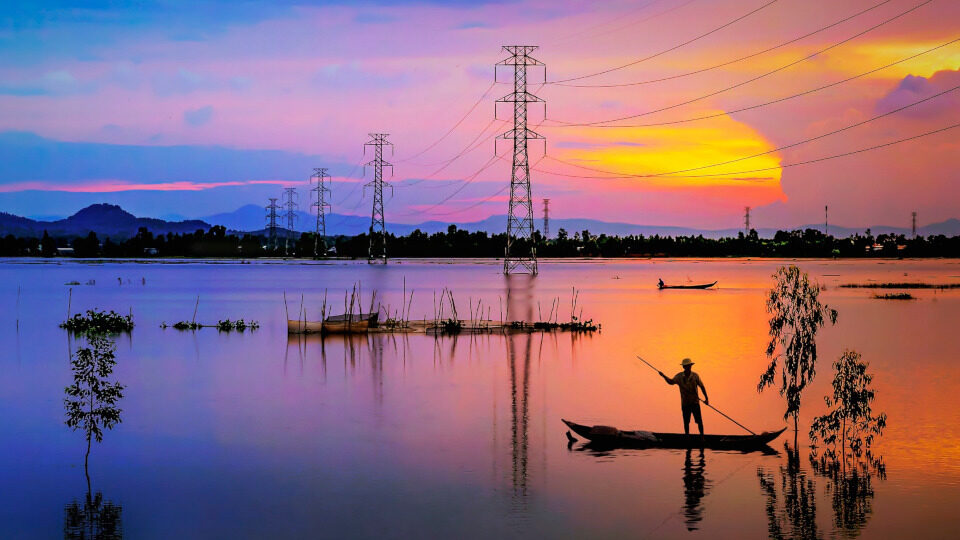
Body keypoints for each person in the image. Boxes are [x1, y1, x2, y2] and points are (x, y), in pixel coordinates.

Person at [659, 358, 709, 436]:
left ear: (691, 366)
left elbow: (702, 386)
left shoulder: (695, 376)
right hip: (685, 403)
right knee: (686, 422)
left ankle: (702, 437)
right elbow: (671, 382)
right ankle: (687, 437)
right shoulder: (679, 376)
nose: (688, 367)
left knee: (699, 421)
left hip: (695, 402)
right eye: (686, 366)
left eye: (689, 366)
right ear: (684, 367)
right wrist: (663, 376)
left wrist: (706, 399)